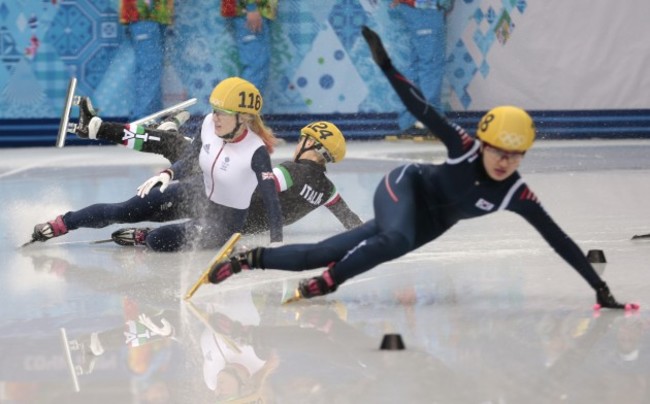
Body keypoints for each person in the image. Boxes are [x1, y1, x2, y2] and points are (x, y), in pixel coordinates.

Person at [203, 26, 638, 311]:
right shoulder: (464, 146)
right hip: (404, 188)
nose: (505, 162)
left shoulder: (516, 193)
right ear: (483, 143)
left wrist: (600, 291)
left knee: (326, 251)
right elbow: (421, 107)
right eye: (499, 152)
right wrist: (387, 67)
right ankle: (328, 284)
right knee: (394, 238)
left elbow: (559, 240)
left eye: (516, 155)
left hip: (431, 221)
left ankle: (248, 261)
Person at [29, 77, 282, 252]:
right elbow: (191, 158)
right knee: (126, 209)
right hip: (197, 192)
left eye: (222, 113)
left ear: (244, 118)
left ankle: (146, 235)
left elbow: (271, 200)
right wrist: (168, 173)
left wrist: (276, 245)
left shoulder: (255, 151)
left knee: (159, 241)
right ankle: (62, 223)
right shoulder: (208, 124)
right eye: (214, 110)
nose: (214, 117)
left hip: (224, 222)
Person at [390, 0, 453, 136]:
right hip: (424, 8)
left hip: (416, 9)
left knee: (416, 65)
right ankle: (430, 120)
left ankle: (411, 120)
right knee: (430, 65)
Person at [119, 0, 174, 120]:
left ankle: (153, 120)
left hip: (158, 13)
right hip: (143, 12)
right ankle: (142, 122)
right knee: (150, 70)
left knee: (152, 70)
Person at [221, 0, 277, 95]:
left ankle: (246, 106)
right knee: (256, 66)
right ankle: (245, 107)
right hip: (249, 11)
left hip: (254, 11)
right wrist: (252, 8)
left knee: (259, 65)